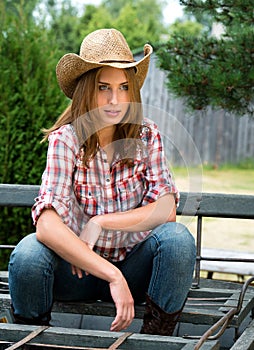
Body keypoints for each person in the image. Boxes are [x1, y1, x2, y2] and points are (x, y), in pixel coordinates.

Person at [8, 28, 196, 336]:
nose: (114, 99)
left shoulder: (147, 135)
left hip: (135, 269)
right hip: (76, 270)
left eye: (123, 87)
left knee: (177, 239)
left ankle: (155, 340)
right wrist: (111, 275)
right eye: (103, 87)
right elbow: (46, 224)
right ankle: (33, 340)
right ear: (86, 90)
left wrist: (101, 221)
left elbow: (165, 210)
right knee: (29, 254)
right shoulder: (66, 140)